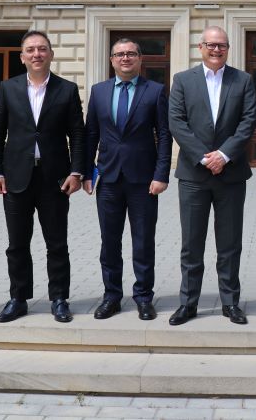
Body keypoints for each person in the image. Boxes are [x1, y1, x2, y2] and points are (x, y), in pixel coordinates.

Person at [0, 30, 85, 323]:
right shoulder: (8, 88)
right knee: (17, 243)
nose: (36, 54)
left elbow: (77, 135)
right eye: (30, 50)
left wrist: (76, 172)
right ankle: (18, 298)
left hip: (55, 178)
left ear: (51, 54)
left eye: (42, 49)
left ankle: (59, 298)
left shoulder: (67, 90)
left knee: (57, 243)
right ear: (22, 57)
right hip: (16, 177)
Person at [167, 26, 256, 325]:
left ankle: (230, 302)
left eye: (222, 45)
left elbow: (248, 121)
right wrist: (205, 158)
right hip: (194, 175)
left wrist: (224, 155)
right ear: (200, 47)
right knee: (191, 244)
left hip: (231, 175)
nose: (216, 50)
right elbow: (177, 122)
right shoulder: (183, 80)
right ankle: (188, 303)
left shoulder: (243, 80)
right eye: (211, 45)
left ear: (228, 49)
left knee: (230, 244)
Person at [83, 38, 172, 321]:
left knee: (143, 241)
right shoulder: (98, 92)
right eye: (120, 54)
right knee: (109, 242)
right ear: (111, 60)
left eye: (131, 53)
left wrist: (161, 175)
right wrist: (87, 172)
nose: (125, 58)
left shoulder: (155, 91)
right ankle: (111, 297)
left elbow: (164, 135)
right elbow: (91, 134)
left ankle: (144, 297)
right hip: (108, 178)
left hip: (144, 181)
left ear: (140, 59)